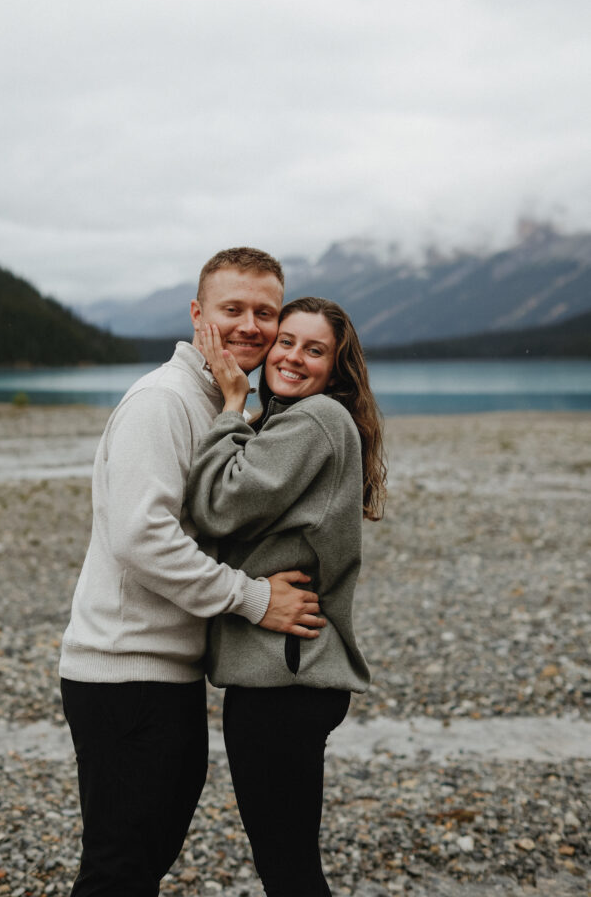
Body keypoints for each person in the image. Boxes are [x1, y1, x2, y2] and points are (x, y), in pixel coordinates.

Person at [59, 249, 326, 897]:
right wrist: (254, 600)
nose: (250, 325)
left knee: (139, 863)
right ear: (197, 313)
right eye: (232, 308)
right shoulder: (163, 400)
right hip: (126, 672)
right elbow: (140, 537)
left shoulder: (221, 401)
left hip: (166, 671)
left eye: (265, 312)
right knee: (119, 869)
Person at [187, 296, 386, 897]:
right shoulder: (301, 423)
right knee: (289, 863)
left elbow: (218, 504)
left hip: (283, 680)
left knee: (290, 871)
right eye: (287, 342)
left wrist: (229, 405)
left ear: (335, 367)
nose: (294, 357)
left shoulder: (313, 420)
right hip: (291, 678)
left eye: (315, 349)